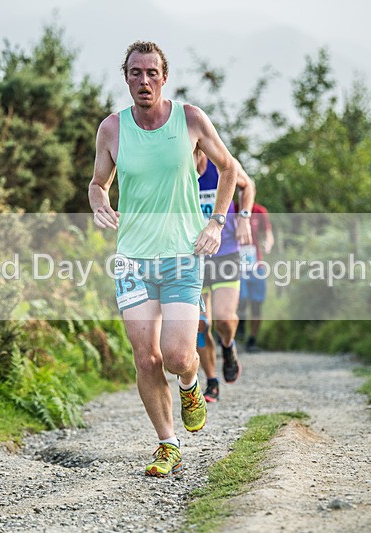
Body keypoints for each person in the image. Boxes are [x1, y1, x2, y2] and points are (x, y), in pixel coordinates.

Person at [89, 41, 239, 477]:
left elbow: (228, 167)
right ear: (126, 78)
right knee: (145, 358)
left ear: (164, 77)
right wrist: (98, 201)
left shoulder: (190, 119)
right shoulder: (112, 130)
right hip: (132, 258)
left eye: (152, 72)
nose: (144, 81)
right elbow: (99, 182)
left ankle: (191, 384)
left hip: (182, 254)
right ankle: (167, 443)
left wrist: (215, 223)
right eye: (135, 73)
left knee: (176, 356)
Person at [196, 150, 255, 403]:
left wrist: (243, 217)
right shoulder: (176, 172)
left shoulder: (219, 164)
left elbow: (248, 185)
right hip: (192, 256)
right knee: (200, 324)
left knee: (222, 319)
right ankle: (211, 381)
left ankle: (229, 345)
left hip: (226, 251)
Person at [236, 202, 274, 353]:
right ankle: (239, 330)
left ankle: (252, 339)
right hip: (236, 265)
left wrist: (268, 244)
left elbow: (268, 234)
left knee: (257, 304)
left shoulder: (259, 210)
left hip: (256, 264)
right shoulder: (232, 208)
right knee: (241, 300)